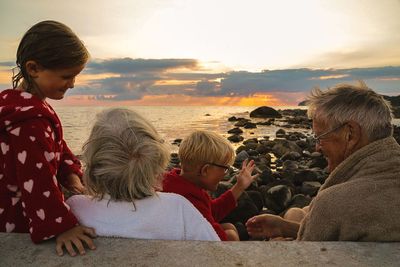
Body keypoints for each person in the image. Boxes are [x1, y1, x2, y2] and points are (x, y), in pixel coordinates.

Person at [246, 82, 400, 241]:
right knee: (296, 213)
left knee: (293, 214)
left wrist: (278, 245)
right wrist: (284, 227)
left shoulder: (334, 204)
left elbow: (307, 257)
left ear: (350, 134)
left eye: (320, 137)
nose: (317, 148)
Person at [0, 20, 96, 256]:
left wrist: (70, 173)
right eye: (66, 76)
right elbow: (36, 175)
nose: (72, 84)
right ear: (33, 68)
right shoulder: (30, 120)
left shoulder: (25, 107)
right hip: (16, 214)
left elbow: (56, 146)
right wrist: (61, 227)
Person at [66, 108, 220, 241]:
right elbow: (215, 253)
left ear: (93, 164)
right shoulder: (179, 208)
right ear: (157, 161)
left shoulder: (73, 210)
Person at [163, 130, 259, 241]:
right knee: (230, 235)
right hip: (182, 248)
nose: (225, 174)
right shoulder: (190, 201)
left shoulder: (175, 183)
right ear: (205, 170)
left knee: (229, 227)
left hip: (182, 237)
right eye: (225, 169)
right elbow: (217, 238)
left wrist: (239, 187)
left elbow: (210, 212)